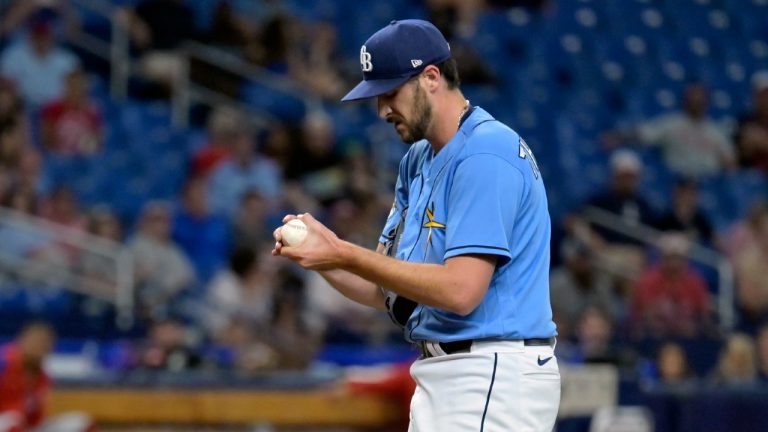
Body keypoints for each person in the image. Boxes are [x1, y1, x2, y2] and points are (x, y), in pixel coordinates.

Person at [273, 19, 559, 431]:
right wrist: (324, 256)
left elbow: (461, 292)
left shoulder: (485, 154)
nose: (382, 110)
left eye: (390, 93)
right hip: (446, 375)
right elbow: (389, 291)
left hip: (494, 371)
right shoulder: (418, 160)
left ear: (430, 78)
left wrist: (343, 252)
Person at [0, 322, 94, 432]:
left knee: (82, 422)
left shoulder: (42, 376)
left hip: (25, 426)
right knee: (13, 421)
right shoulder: (4, 363)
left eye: (45, 343)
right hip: (5, 422)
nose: (40, 347)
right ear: (22, 340)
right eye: (36, 342)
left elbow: (35, 419)